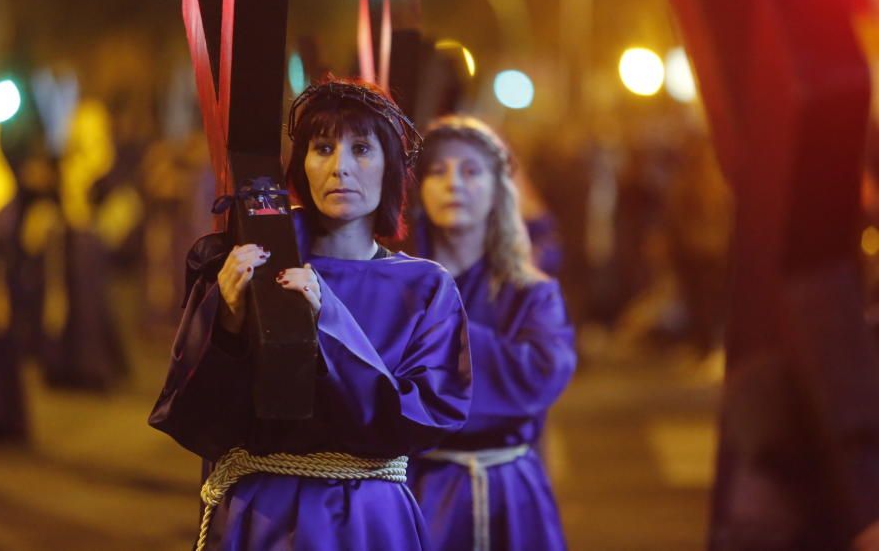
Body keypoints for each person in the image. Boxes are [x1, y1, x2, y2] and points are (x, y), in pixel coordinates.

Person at [149, 78, 472, 550]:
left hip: (370, 520)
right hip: (266, 516)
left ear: (391, 167)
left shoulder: (425, 288)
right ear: (301, 163)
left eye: (361, 149)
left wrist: (330, 320)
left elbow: (426, 415)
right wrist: (229, 323)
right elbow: (195, 417)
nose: (340, 167)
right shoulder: (251, 264)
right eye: (323, 148)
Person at [408, 115, 576, 551]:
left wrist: (435, 332)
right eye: (438, 171)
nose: (454, 184)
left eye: (470, 170)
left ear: (497, 189)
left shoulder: (532, 291)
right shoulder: (396, 285)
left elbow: (539, 374)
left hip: (509, 490)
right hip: (420, 490)